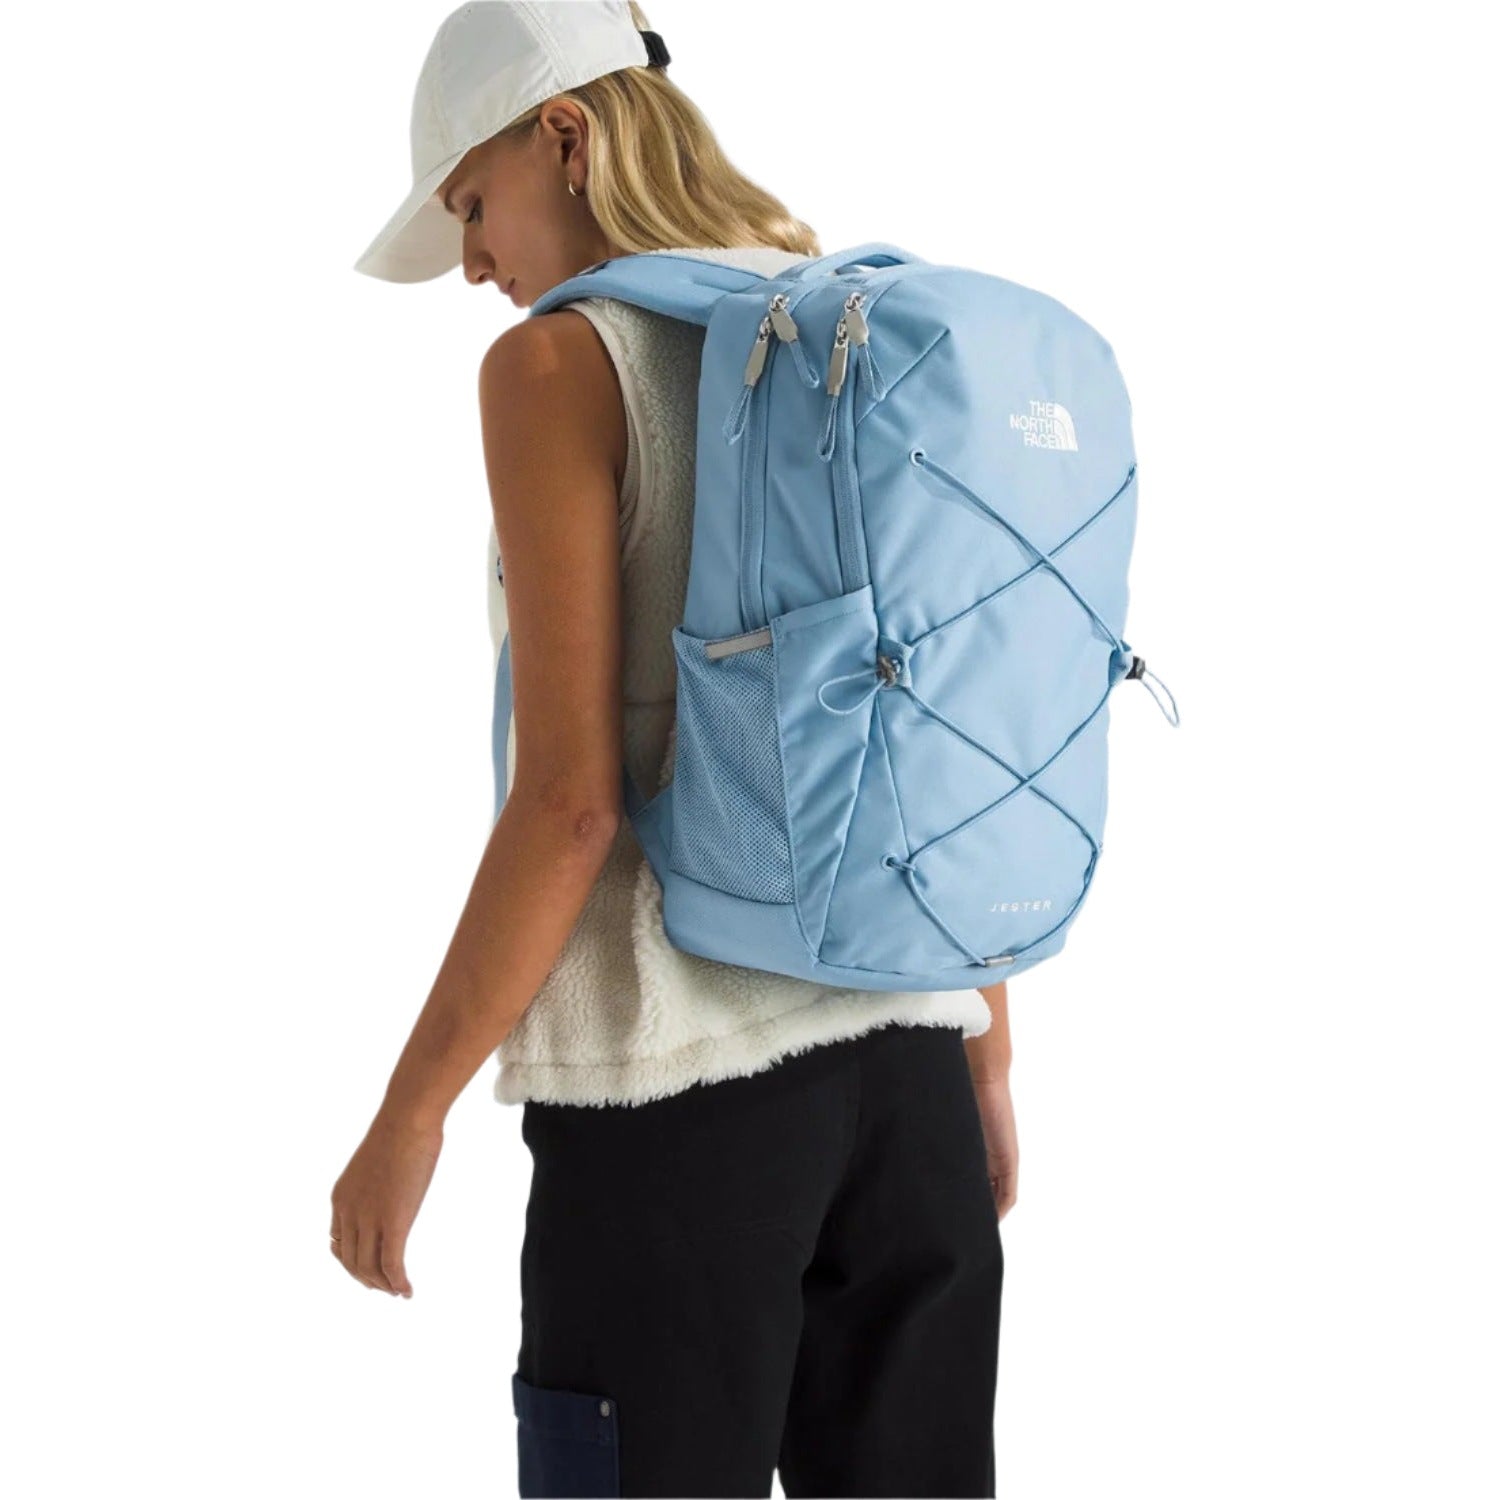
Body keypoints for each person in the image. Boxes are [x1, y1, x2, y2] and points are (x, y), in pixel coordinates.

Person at [330, 5, 1018, 1496]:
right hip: (911, 1083)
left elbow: (571, 805)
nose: (473, 260)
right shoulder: (852, 327)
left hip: (675, 1097)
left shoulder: (561, 366)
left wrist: (411, 1110)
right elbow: (933, 729)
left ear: (564, 138)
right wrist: (988, 1054)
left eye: (472, 203)